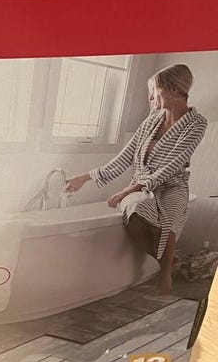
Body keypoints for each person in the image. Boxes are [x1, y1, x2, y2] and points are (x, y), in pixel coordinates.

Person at [65, 64, 207, 294]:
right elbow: (124, 157)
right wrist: (85, 177)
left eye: (154, 91)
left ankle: (165, 275)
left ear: (173, 90)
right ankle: (166, 262)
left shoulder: (197, 124)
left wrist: (129, 189)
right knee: (135, 213)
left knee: (171, 214)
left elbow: (173, 165)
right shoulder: (151, 121)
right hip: (141, 185)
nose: (150, 97)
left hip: (172, 184)